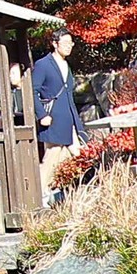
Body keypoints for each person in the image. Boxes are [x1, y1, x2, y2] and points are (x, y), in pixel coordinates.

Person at [33, 29, 87, 196]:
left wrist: (77, 122)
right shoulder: (43, 64)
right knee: (52, 156)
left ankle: (66, 191)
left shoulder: (66, 65)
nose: (68, 47)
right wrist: (41, 115)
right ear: (55, 44)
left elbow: (68, 94)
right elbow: (32, 91)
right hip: (52, 118)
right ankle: (40, 193)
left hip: (68, 118)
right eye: (64, 43)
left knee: (77, 153)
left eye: (70, 43)